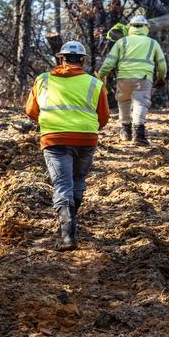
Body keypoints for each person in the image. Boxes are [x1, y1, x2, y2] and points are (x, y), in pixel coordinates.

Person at [24, 41, 109, 251]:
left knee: (62, 184)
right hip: (86, 139)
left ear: (61, 58)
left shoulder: (42, 80)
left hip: (55, 140)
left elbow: (30, 111)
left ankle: (67, 235)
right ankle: (70, 222)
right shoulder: (95, 83)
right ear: (82, 60)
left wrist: (50, 122)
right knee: (77, 180)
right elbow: (104, 118)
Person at [97, 14, 167, 146]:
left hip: (123, 78)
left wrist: (101, 75)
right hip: (143, 79)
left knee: (124, 102)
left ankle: (125, 131)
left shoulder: (121, 42)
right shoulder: (152, 43)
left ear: (130, 27)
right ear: (145, 27)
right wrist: (161, 77)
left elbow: (109, 62)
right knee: (140, 103)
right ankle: (138, 135)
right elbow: (162, 64)